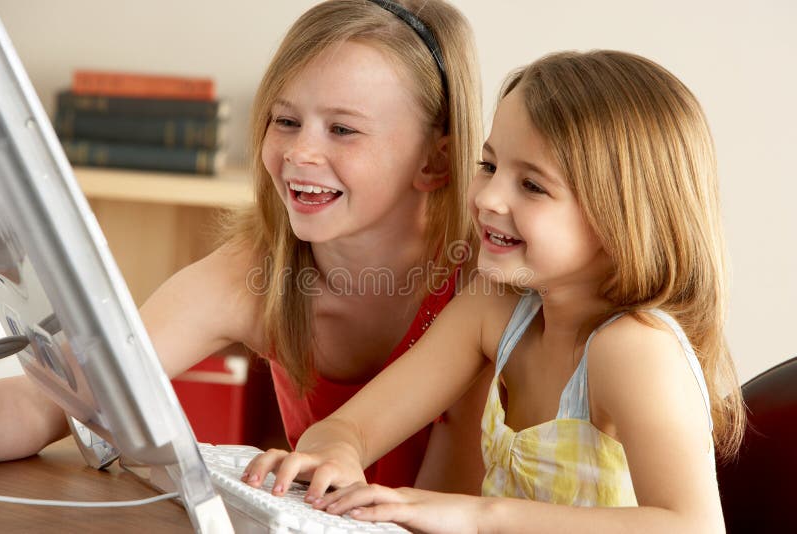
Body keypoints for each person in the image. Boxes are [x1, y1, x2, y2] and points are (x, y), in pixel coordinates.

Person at [0, 0, 490, 494]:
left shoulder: (489, 277)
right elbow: (60, 396)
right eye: (286, 120)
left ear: (434, 160)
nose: (299, 152)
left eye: (342, 129)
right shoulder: (255, 274)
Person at [243, 50, 747, 533]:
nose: (487, 197)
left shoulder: (635, 348)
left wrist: (480, 517)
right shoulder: (496, 310)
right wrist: (333, 453)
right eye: (489, 166)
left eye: (531, 186)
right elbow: (352, 427)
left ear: (622, 217)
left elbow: (694, 525)